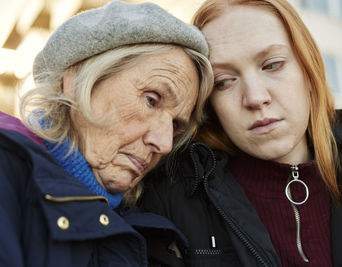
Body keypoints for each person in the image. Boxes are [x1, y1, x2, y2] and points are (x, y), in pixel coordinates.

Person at [139, 0, 342, 266]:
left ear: (308, 70)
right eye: (224, 81)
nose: (255, 97)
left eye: (272, 65)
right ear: (208, 102)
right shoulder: (170, 200)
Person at [0, 1, 214, 266]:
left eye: (176, 125)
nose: (164, 143)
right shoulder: (7, 171)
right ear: (77, 80)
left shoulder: (153, 232)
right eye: (151, 100)